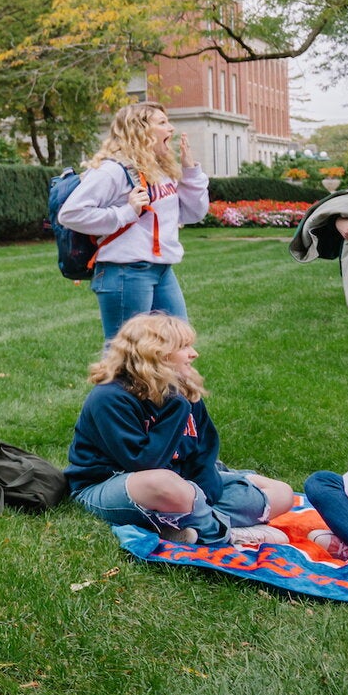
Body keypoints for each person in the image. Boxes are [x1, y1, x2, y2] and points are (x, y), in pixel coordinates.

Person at [64, 312, 294, 548]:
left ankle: (184, 525)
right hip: (109, 486)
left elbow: (204, 452)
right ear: (157, 354)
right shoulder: (110, 397)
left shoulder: (182, 391)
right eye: (184, 347)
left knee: (282, 493)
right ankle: (225, 534)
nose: (193, 353)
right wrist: (175, 408)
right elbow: (143, 464)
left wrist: (206, 494)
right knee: (164, 484)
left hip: (183, 483)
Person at [57, 102, 209, 341]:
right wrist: (126, 212)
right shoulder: (113, 170)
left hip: (161, 270)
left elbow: (193, 214)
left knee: (177, 344)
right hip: (126, 272)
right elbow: (70, 214)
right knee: (124, 355)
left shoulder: (159, 169)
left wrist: (190, 172)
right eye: (162, 123)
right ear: (141, 130)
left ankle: (168, 381)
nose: (171, 127)